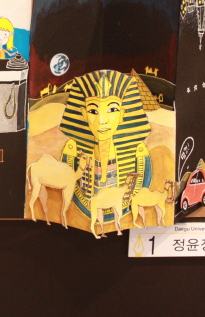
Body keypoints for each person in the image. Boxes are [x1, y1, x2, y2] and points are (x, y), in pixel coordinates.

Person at [59, 70, 152, 222]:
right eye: (93, 111)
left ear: (122, 114)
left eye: (112, 110)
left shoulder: (139, 150)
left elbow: (142, 184)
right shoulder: (72, 148)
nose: (102, 120)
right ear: (83, 114)